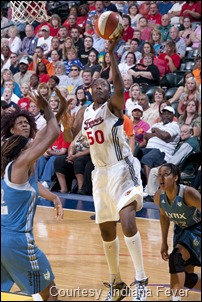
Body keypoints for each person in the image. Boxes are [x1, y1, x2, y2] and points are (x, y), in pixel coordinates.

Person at [64, 28, 148, 301]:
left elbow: (120, 87)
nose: (103, 87)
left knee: (127, 221)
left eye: (106, 85)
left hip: (123, 167)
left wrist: (111, 54)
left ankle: (141, 280)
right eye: (97, 85)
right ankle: (117, 283)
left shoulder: (113, 107)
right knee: (106, 230)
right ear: (89, 90)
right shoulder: (83, 111)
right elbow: (69, 136)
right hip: (100, 175)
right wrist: (64, 119)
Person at [1, 88, 67, 301]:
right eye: (20, 123)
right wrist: (46, 107)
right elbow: (53, 132)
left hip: (4, 234)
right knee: (51, 293)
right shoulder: (21, 159)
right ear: (11, 131)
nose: (25, 125)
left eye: (26, 122)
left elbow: (32, 184)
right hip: (16, 239)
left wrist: (53, 197)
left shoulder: (11, 162)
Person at [153, 163, 201, 302]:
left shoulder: (188, 193)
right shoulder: (158, 197)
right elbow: (164, 217)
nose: (161, 177)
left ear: (175, 177)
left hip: (197, 228)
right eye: (159, 175)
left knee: (176, 258)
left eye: (166, 174)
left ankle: (175, 299)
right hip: (181, 230)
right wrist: (163, 243)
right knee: (186, 278)